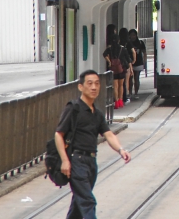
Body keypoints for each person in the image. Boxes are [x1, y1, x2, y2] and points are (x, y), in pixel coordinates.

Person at [56, 70, 131, 219]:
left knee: (79, 203)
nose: (94, 87)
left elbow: (108, 134)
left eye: (97, 84)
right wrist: (65, 160)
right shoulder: (73, 109)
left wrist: (121, 150)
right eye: (89, 84)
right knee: (88, 201)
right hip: (76, 161)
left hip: (91, 162)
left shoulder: (97, 113)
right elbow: (59, 134)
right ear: (80, 87)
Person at [103, 26, 125, 109]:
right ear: (119, 40)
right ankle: (120, 101)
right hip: (121, 69)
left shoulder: (109, 49)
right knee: (121, 85)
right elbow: (126, 58)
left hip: (113, 68)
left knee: (115, 86)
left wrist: (109, 61)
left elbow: (104, 54)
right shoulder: (122, 49)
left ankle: (116, 102)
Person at [127, 29, 146, 99]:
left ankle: (136, 93)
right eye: (131, 35)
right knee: (130, 79)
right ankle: (130, 93)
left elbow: (144, 52)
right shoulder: (128, 43)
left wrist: (144, 61)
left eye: (134, 35)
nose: (132, 37)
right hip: (130, 63)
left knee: (136, 78)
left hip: (139, 63)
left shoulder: (140, 43)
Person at [118, 28, 135, 104]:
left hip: (119, 64)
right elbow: (133, 51)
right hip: (126, 63)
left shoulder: (119, 42)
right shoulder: (128, 42)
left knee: (118, 83)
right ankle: (126, 96)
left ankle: (119, 98)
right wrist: (133, 60)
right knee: (126, 82)